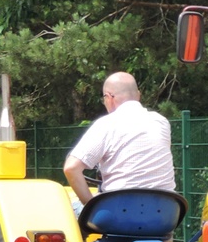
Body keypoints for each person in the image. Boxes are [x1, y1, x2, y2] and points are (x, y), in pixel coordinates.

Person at [62, 72, 175, 206]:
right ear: (138, 95)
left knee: (69, 207)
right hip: (165, 211)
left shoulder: (106, 124)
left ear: (109, 97)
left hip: (119, 211)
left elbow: (71, 168)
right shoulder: (161, 122)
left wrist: (91, 206)